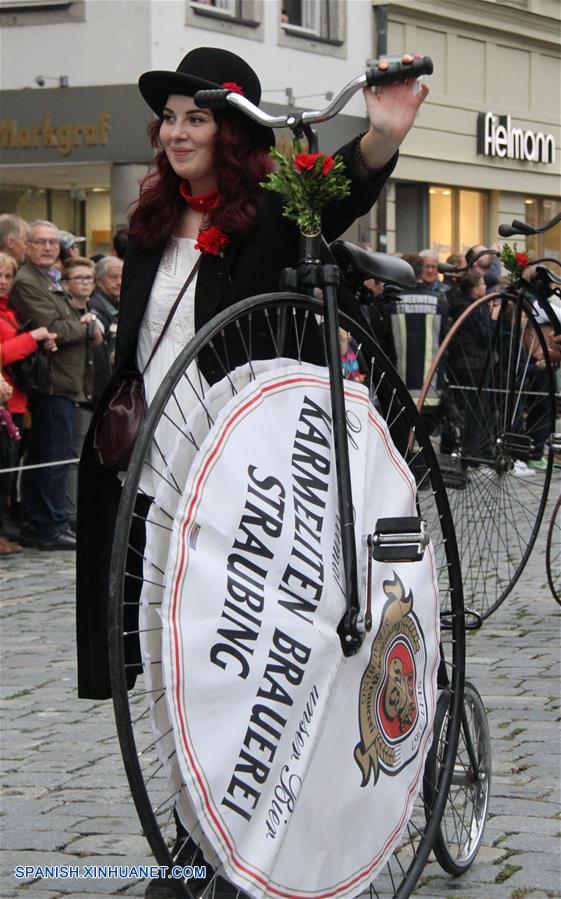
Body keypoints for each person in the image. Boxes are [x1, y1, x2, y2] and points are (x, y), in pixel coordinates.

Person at [75, 44, 429, 897]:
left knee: (241, 664)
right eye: (169, 118)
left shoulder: (271, 212)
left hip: (245, 483)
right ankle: (201, 830)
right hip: (158, 477)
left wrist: (379, 135)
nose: (175, 131)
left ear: (232, 130)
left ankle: (233, 848)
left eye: (195, 117)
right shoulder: (150, 225)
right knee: (175, 667)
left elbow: (334, 187)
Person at [9, 220, 103, 550]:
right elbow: (54, 328)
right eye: (41, 242)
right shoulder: (27, 282)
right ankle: (47, 524)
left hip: (64, 380)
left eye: (53, 242)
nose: (49, 248)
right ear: (27, 245)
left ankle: (47, 521)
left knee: (57, 454)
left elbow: (63, 325)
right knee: (51, 456)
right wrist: (84, 325)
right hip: (48, 382)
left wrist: (79, 323)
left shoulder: (49, 278)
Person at [0, 251, 57, 546]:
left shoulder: (10, 311)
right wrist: (31, 339)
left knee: (11, 473)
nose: (4, 281)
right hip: (4, 402)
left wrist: (41, 342)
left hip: (18, 400)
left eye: (8, 276)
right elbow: (4, 353)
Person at [61, 256, 111, 525]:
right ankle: (71, 514)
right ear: (65, 283)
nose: (84, 283)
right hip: (74, 392)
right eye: (78, 278)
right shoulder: (68, 312)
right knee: (71, 457)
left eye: (88, 278)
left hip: (95, 392)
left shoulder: (94, 309)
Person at [88, 255, 122, 365]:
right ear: (98, 280)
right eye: (113, 277)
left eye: (123, 276)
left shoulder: (118, 303)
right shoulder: (93, 306)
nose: (119, 282)